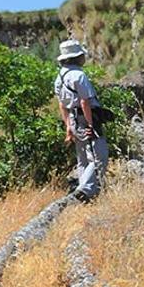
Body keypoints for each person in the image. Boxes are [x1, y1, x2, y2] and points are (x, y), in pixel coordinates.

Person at [53, 39, 108, 201]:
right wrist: (91, 124)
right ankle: (85, 190)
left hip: (72, 118)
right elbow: (85, 101)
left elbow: (62, 104)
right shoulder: (79, 75)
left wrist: (68, 126)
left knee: (82, 158)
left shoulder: (60, 77)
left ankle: (83, 191)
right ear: (76, 57)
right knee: (99, 157)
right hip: (86, 117)